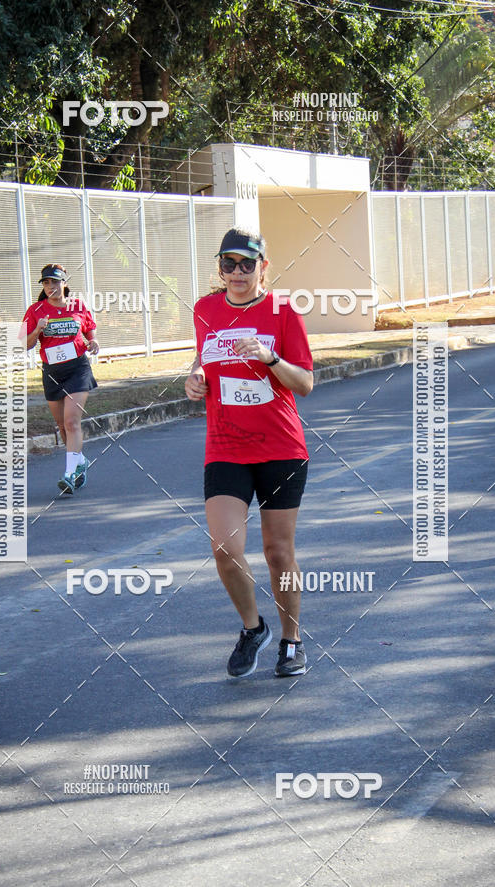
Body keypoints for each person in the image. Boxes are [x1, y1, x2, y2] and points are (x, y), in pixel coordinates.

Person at [185, 227, 314, 678]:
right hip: (225, 446)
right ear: (219, 267)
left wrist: (270, 359)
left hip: (280, 446)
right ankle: (252, 627)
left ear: (264, 265)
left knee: (279, 552)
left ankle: (292, 640)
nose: (237, 272)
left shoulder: (282, 310)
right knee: (225, 547)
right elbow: (202, 360)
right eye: (228, 263)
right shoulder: (205, 309)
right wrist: (195, 378)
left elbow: (306, 382)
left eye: (247, 263)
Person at [22, 263, 99, 494]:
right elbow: (23, 344)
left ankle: (69, 474)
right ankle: (80, 462)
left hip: (77, 368)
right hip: (52, 371)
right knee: (61, 426)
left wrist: (94, 342)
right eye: (46, 282)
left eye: (55, 282)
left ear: (64, 283)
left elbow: (89, 331)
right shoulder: (35, 310)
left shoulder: (78, 305)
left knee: (71, 422)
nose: (51, 286)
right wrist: (37, 330)